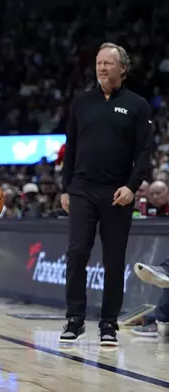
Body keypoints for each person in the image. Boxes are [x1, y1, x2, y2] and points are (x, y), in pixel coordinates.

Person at [59, 42, 153, 346]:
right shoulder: (81, 104)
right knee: (76, 253)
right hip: (82, 189)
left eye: (108, 64)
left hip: (117, 193)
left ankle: (108, 323)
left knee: (113, 261)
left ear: (123, 69)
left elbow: (143, 153)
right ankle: (74, 318)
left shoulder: (138, 106)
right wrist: (65, 188)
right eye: (99, 63)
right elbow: (70, 148)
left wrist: (132, 186)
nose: (102, 68)